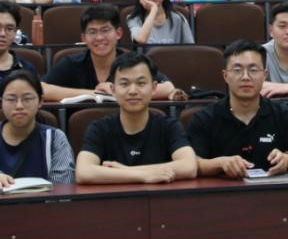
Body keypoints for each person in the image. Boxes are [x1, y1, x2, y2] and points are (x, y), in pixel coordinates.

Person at [187, 39, 288, 178]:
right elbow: (192, 164)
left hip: (273, 190)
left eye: (253, 70)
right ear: (225, 76)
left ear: (264, 75)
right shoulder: (204, 118)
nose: (245, 77)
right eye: (237, 70)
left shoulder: (283, 114)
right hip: (223, 191)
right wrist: (220, 163)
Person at [75, 52, 197, 185]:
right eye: (124, 84)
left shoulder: (168, 126)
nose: (132, 91)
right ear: (113, 90)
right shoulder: (99, 128)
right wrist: (143, 175)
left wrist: (125, 171)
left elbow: (189, 166)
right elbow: (83, 172)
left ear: (154, 88)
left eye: (141, 83)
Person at [0, 69, 75, 189]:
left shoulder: (55, 138)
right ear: (1, 102)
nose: (19, 106)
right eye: (11, 99)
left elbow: (63, 186)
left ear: (40, 101)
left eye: (27, 99)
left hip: (42, 201)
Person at [42, 4, 183, 102]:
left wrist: (116, 91)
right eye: (92, 32)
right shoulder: (71, 63)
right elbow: (42, 89)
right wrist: (92, 94)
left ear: (118, 33)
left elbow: (167, 87)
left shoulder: (133, 62)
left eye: (105, 30)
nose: (99, 38)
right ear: (83, 38)